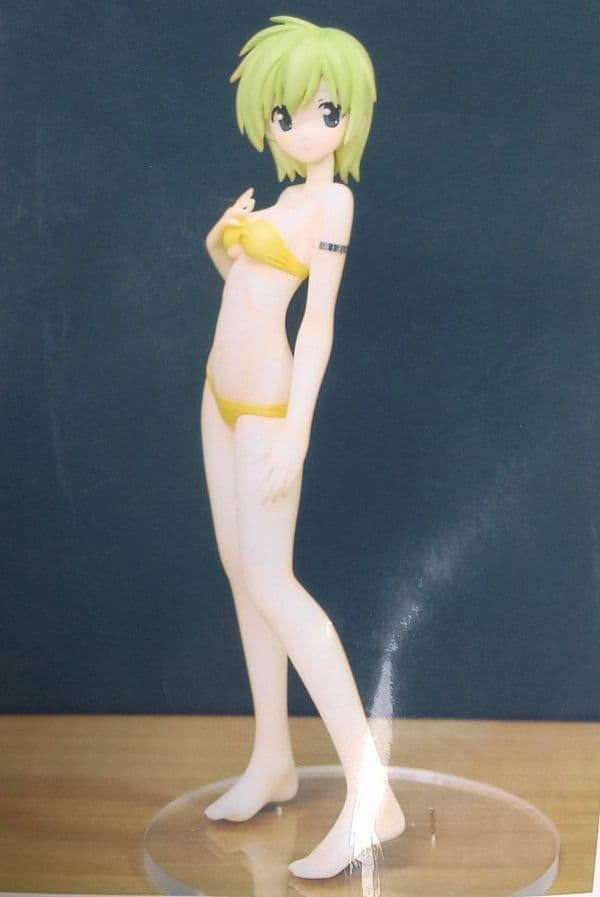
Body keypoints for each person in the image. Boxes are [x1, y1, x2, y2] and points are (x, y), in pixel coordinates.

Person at [201, 15, 405, 879]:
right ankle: (272, 755)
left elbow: (316, 324)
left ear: (350, 115)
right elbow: (247, 288)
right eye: (283, 113)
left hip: (269, 403)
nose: (300, 128)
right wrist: (219, 246)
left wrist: (297, 428)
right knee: (242, 574)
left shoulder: (333, 203)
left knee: (274, 580)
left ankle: (372, 790)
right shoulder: (282, 203)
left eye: (323, 110)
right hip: (217, 395)